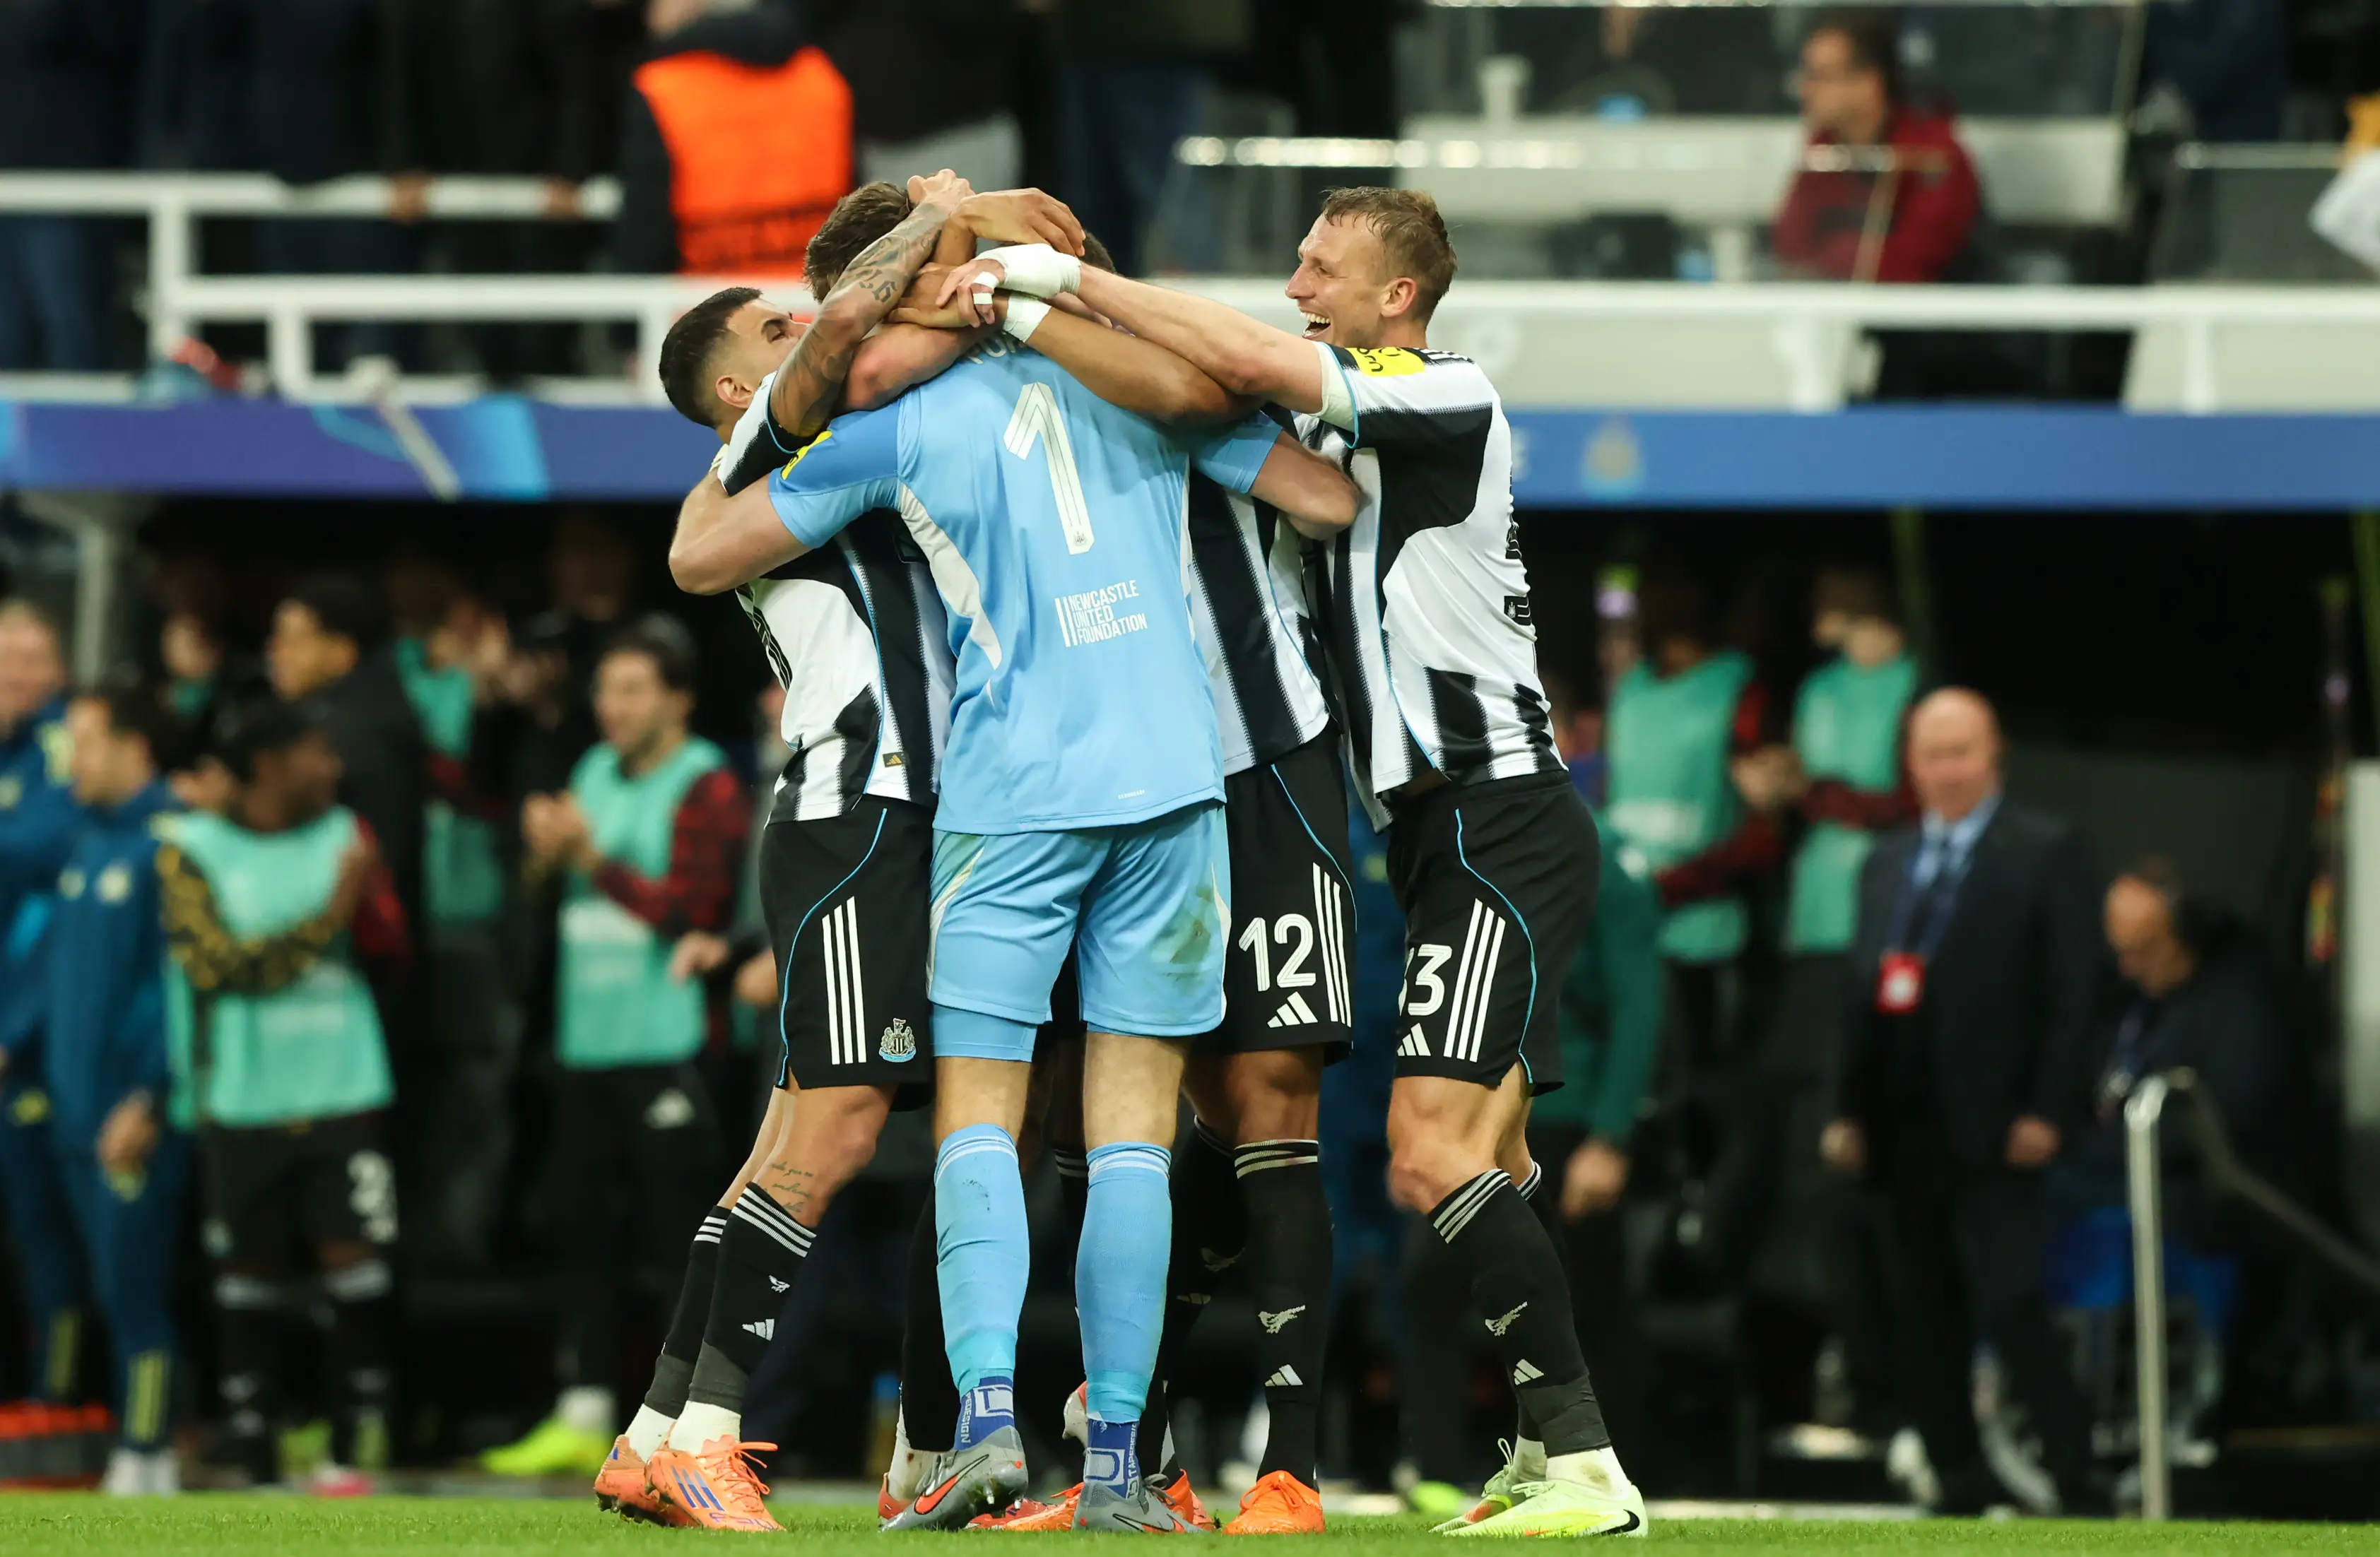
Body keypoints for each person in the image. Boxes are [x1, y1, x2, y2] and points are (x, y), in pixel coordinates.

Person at [952, 184, 1649, 1536]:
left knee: (1425, 1147)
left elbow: (1243, 365)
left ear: (1397, 297)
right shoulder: (1352, 419)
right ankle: (1537, 1445)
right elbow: (1230, 410)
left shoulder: (1441, 389)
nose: (1294, 284)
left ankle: (1581, 1462)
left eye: (1321, 266)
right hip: (1444, 830)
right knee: (1486, 1154)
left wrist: (1049, 279)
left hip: (1495, 811)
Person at [677, 199, 1358, 1534]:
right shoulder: (1134, 384)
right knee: (1132, 1142)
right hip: (1174, 784)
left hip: (1009, 799)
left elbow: (705, 554)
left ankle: (976, 1426)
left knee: (982, 1117)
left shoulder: (893, 425)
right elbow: (1323, 498)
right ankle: (1116, 1460)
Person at [581, 173, 1085, 1535]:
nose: (806, 320)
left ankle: (670, 1429)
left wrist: (963, 226)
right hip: (858, 804)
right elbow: (865, 318)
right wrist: (944, 218)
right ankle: (710, 1432)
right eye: (777, 322)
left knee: (817, 1134)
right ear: (739, 381)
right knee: (842, 1124)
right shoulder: (768, 436)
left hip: (896, 810)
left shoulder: (819, 435)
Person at [1820, 687, 2099, 1515]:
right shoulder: (1884, 859)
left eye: (1961, 751)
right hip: (1899, 1123)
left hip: (1998, 1121)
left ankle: (2078, 1479)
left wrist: (2047, 1107)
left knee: (2011, 1299)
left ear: (1993, 754)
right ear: (1910, 762)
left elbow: (2074, 993)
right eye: (1931, 753)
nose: (1946, 769)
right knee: (1918, 1309)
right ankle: (1956, 1479)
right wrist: (1843, 1108)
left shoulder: (2046, 849)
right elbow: (1857, 993)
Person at [485, 617, 744, 1479]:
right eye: (606, 689)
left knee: (681, 1238)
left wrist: (588, 854)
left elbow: (697, 913)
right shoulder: (591, 770)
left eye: (634, 689)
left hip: (668, 1042)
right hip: (588, 1041)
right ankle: (583, 1405)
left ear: (679, 697)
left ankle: (687, 1418)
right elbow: (549, 891)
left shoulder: (705, 782)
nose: (613, 706)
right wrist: (543, 854)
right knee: (580, 1233)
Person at [160, 699, 411, 1493]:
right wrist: (328, 914)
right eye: (314, 751)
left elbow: (392, 946)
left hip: (342, 1085)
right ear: (266, 763)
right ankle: (256, 1445)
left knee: (357, 1265)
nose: (331, 767)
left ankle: (351, 1444)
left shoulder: (347, 834)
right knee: (249, 1276)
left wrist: (367, 909)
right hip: (241, 1090)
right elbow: (219, 966)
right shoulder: (187, 848)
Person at [37, 687, 186, 1493]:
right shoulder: (85, 841)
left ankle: (147, 1448)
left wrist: (151, 1095)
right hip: (71, 1111)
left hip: (129, 1115)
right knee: (95, 1282)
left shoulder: (169, 846)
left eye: (86, 742)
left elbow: (176, 988)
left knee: (134, 1288)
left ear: (134, 746)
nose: (73, 761)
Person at [0, 600, 87, 1409]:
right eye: (8, 660)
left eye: (35, 660)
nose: (21, 676)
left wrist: (11, 1026)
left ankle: (52, 1406)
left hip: (32, 1046)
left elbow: (48, 884)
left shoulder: (64, 753)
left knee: (43, 1235)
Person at [613, 0, 853, 276]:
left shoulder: (661, 85)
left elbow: (644, 235)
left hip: (711, 310)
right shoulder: (821, 73)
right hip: (820, 306)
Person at [267, 574, 429, 941]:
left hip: (360, 942)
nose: (276, 653)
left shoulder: (351, 732)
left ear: (342, 652)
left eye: (293, 640)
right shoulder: (376, 710)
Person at [1772, 12, 1982, 285]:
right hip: (1842, 312)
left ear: (1867, 83)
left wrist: (1835, 255)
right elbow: (1791, 248)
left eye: (1819, 76)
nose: (1804, 88)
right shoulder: (1824, 149)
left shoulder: (1931, 155)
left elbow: (1905, 267)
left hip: (1932, 319)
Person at [0, 0, 133, 369]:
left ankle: (86, 426)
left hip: (60, 181)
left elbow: (52, 30)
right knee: (6, 332)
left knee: (71, 324)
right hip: (7, 180)